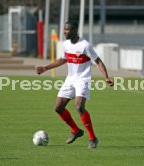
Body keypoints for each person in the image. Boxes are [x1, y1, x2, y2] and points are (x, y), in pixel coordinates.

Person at [36, 20, 113, 149]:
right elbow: (63, 59)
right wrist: (46, 68)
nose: (64, 32)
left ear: (75, 31)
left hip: (82, 80)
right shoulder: (66, 44)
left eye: (67, 29)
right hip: (70, 80)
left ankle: (93, 138)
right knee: (58, 108)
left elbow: (98, 61)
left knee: (79, 107)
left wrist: (106, 77)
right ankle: (76, 130)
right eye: (64, 29)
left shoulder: (85, 45)